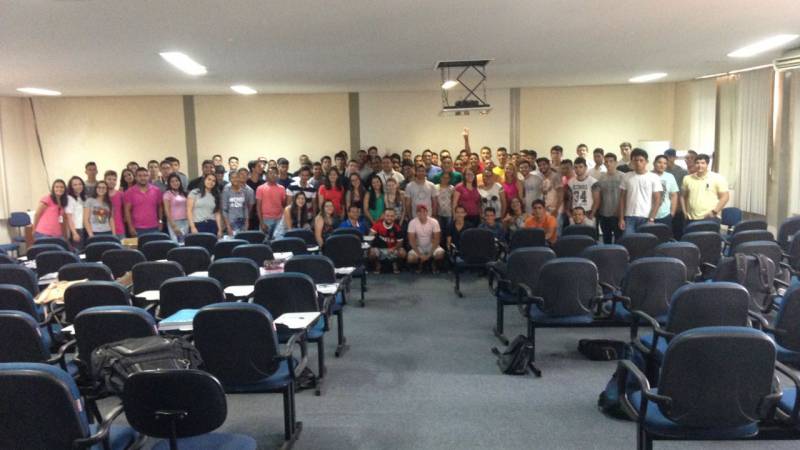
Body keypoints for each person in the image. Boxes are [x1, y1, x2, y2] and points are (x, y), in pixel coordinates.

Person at [618, 148, 663, 235]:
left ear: (646, 162)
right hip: (629, 216)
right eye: (635, 160)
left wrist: (652, 218)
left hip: (646, 217)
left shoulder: (654, 177)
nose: (638, 163)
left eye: (641, 160)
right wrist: (621, 218)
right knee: (629, 241)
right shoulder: (626, 176)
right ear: (632, 161)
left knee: (645, 241)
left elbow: (657, 200)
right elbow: (622, 198)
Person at [681, 154, 730, 223]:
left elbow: (725, 197)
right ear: (694, 164)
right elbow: (682, 196)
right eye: (697, 163)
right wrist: (684, 212)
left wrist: (714, 212)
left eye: (703, 163)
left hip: (710, 218)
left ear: (707, 164)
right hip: (691, 218)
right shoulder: (687, 178)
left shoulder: (718, 178)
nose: (700, 165)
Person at [592, 153, 624, 244]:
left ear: (616, 162)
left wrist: (622, 214)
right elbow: (597, 196)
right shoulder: (600, 177)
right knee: (606, 240)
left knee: (619, 240)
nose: (608, 163)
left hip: (618, 214)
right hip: (604, 214)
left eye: (611, 161)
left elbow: (626, 196)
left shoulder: (623, 176)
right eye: (606, 161)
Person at [124, 168, 163, 236]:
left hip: (154, 227)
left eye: (145, 175)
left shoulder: (156, 190)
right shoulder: (129, 192)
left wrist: (160, 221)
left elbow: (160, 207)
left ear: (149, 176)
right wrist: (130, 227)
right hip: (137, 228)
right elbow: (127, 211)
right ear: (135, 177)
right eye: (140, 176)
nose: (143, 178)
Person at [406, 205, 445, 273]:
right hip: (419, 246)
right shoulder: (412, 222)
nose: (422, 213)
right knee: (411, 258)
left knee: (440, 254)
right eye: (419, 211)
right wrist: (420, 255)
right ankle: (420, 263)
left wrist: (429, 255)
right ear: (416, 213)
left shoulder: (434, 221)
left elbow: (437, 240)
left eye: (424, 211)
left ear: (427, 212)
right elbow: (411, 241)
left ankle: (433, 262)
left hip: (431, 245)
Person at [369, 207, 405, 274]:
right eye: (387, 216)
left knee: (402, 252)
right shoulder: (377, 225)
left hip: (392, 250)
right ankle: (377, 264)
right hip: (379, 250)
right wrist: (370, 248)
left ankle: (395, 263)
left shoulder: (397, 228)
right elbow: (369, 238)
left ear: (394, 217)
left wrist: (393, 248)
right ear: (384, 216)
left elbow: (400, 243)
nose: (389, 218)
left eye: (392, 216)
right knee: (372, 252)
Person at [256, 167, 287, 239]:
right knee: (264, 241)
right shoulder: (260, 188)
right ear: (266, 175)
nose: (273, 175)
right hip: (266, 219)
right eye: (270, 173)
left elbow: (283, 204)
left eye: (275, 173)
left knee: (278, 241)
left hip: (279, 219)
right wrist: (261, 222)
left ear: (278, 175)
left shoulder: (282, 188)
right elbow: (258, 207)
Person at [221, 169, 254, 236]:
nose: (235, 179)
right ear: (229, 179)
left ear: (239, 178)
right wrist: (228, 226)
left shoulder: (244, 191)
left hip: (242, 221)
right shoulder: (226, 191)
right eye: (232, 178)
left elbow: (245, 208)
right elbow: (224, 210)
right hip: (231, 222)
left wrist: (247, 222)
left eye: (236, 177)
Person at [664, 149, 689, 238]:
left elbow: (683, 192)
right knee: (664, 232)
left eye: (670, 157)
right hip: (664, 207)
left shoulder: (682, 172)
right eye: (666, 157)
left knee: (678, 232)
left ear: (675, 158)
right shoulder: (662, 170)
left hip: (678, 207)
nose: (668, 159)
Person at [567, 157, 599, 226]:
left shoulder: (593, 182)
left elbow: (597, 200)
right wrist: (569, 214)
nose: (578, 169)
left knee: (589, 232)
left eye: (580, 167)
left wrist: (592, 214)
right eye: (576, 167)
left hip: (588, 213)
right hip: (574, 214)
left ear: (586, 167)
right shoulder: (570, 182)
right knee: (575, 232)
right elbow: (569, 199)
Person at [652, 155, 679, 228]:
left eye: (665, 163)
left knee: (665, 234)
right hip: (648, 214)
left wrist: (672, 212)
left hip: (665, 214)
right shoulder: (648, 175)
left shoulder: (670, 176)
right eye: (659, 162)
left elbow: (674, 195)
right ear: (654, 163)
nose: (662, 165)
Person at [163, 174, 189, 242]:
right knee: (176, 243)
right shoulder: (167, 194)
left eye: (177, 181)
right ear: (169, 183)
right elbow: (166, 210)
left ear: (180, 182)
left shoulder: (183, 193)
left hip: (185, 221)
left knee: (185, 243)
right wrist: (173, 225)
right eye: (172, 181)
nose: (175, 183)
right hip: (174, 222)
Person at [65, 176, 87, 249]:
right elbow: (69, 217)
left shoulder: (81, 197)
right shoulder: (69, 198)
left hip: (83, 228)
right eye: (75, 185)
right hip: (76, 229)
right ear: (71, 187)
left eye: (80, 184)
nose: (78, 186)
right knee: (78, 251)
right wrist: (74, 233)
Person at [104, 170, 126, 239]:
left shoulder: (121, 194)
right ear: (104, 180)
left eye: (114, 180)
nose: (112, 181)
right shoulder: (101, 195)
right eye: (109, 179)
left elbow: (125, 212)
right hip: (103, 230)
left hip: (119, 229)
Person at [246, 160, 266, 230]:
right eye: (259, 166)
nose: (262, 168)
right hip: (249, 214)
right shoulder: (246, 183)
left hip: (261, 213)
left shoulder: (264, 183)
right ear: (253, 168)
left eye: (262, 166)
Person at [435, 171, 454, 240]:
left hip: (449, 213)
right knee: (439, 231)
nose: (445, 179)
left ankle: (448, 245)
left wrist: (453, 212)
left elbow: (453, 200)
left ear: (450, 179)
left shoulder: (452, 188)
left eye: (447, 178)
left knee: (448, 231)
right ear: (440, 178)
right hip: (438, 213)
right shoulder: (435, 187)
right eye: (443, 177)